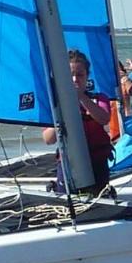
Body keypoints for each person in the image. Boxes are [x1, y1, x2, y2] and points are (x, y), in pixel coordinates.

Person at [42, 49, 114, 192]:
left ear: (87, 77)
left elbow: (104, 119)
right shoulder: (55, 104)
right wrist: (63, 110)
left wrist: (81, 97)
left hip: (96, 164)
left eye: (80, 75)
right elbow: (48, 139)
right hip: (69, 164)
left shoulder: (98, 99)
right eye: (71, 75)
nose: (75, 80)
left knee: (98, 201)